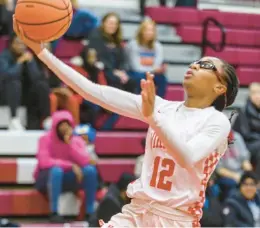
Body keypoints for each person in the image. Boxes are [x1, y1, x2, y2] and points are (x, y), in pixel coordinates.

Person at [13, 15, 239, 227]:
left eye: (207, 66)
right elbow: (92, 91)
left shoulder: (217, 122)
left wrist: (153, 118)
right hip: (135, 213)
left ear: (220, 88)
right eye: (197, 61)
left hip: (175, 219)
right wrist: (41, 52)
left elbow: (187, 157)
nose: (195, 65)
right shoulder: (161, 107)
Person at [34, 110, 98, 223]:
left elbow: (85, 161)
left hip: (69, 178)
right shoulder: (45, 139)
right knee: (56, 171)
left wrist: (70, 144)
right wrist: (70, 165)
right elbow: (44, 162)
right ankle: (54, 212)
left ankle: (90, 212)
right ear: (55, 126)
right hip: (46, 178)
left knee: (90, 170)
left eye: (67, 125)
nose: (64, 128)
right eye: (61, 125)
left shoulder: (76, 140)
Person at [127, 19, 167, 98]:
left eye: (152, 30)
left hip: (151, 73)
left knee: (162, 79)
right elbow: (136, 67)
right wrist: (152, 67)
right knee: (139, 77)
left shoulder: (158, 46)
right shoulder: (133, 45)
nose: (150, 32)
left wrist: (151, 67)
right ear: (141, 31)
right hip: (134, 72)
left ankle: (158, 105)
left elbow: (157, 65)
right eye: (147, 30)